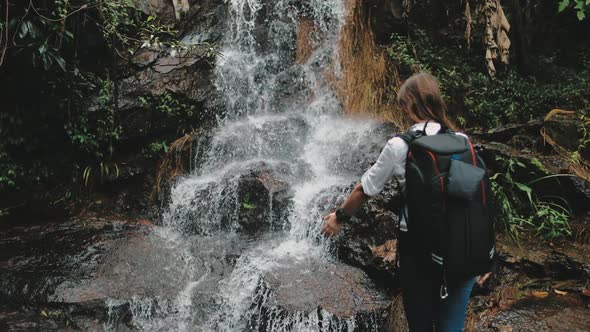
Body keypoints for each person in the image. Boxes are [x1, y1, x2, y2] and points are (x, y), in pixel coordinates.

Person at [321, 73, 490, 332]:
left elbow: (363, 190)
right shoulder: (462, 140)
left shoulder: (400, 146)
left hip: (420, 256)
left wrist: (339, 218)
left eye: (402, 104)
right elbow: (477, 199)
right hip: (464, 252)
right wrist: (484, 257)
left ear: (410, 102)